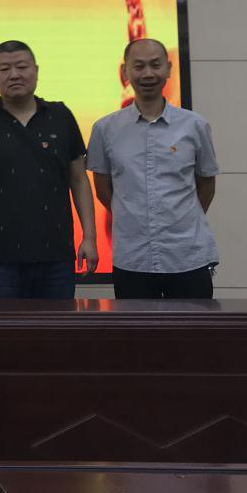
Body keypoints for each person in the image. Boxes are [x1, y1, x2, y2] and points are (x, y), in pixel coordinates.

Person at [0, 40, 98, 299]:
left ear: (36, 70)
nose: (14, 75)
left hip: (56, 253)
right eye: (4, 69)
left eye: (21, 67)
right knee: (6, 326)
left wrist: (89, 237)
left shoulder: (61, 115)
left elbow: (79, 180)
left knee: (57, 324)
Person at [87, 38, 219, 300]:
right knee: (137, 328)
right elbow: (102, 188)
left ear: (168, 69)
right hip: (132, 258)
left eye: (155, 65)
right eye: (139, 66)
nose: (148, 73)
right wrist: (134, 217)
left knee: (194, 327)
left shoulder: (195, 126)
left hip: (187, 255)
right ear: (124, 72)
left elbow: (206, 185)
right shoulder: (105, 129)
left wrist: (179, 219)